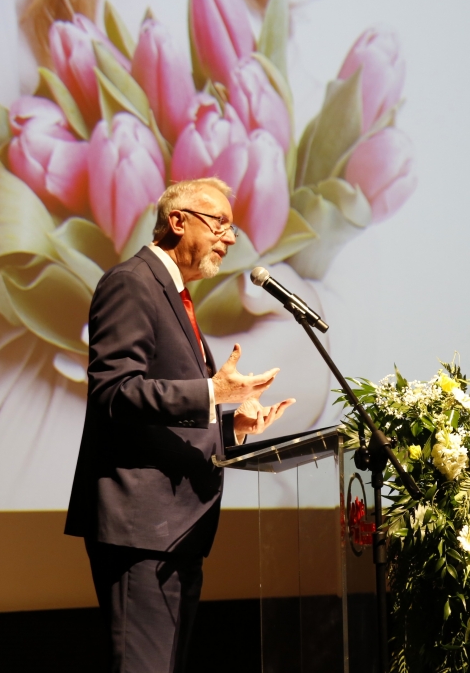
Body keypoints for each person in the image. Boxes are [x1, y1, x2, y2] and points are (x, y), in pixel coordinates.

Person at [65, 177, 294, 672]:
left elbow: (168, 419)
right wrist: (213, 392)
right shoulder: (131, 282)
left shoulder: (175, 294)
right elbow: (115, 392)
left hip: (176, 531)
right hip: (140, 529)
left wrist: (232, 427)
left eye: (232, 228)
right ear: (177, 221)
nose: (229, 238)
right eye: (220, 224)